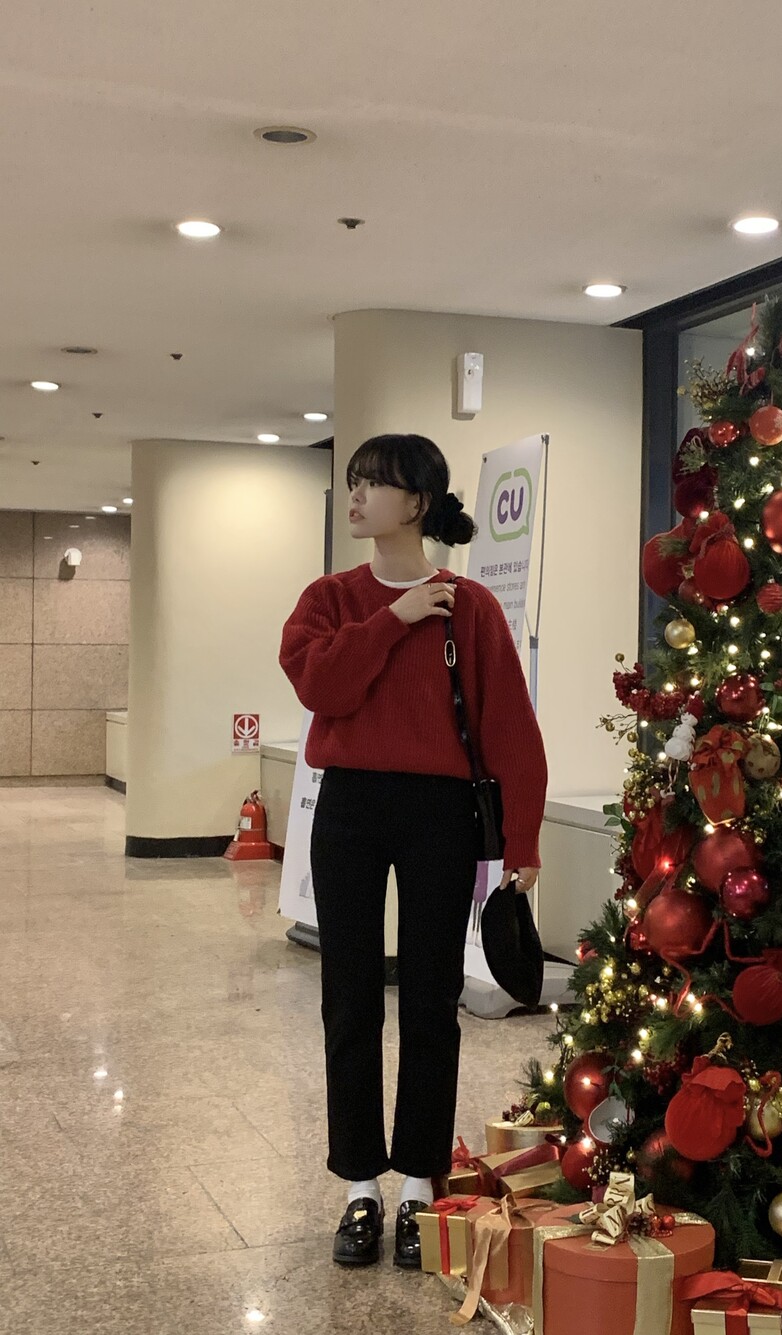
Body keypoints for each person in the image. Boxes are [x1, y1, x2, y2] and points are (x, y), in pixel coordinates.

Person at [279, 433, 548, 1269]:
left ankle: (418, 1184)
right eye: (354, 481)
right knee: (351, 995)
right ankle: (359, 1184)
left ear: (418, 502)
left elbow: (510, 725)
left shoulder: (471, 607)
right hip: (350, 808)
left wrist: (524, 838)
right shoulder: (331, 598)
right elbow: (322, 685)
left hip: (441, 814)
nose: (357, 496)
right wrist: (393, 620)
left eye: (375, 483)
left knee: (432, 999)